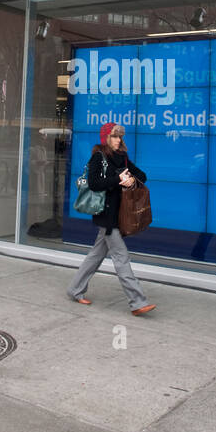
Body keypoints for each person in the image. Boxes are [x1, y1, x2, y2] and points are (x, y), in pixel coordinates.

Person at [66, 122, 156, 315]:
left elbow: (142, 175)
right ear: (106, 138)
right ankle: (138, 303)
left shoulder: (123, 158)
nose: (118, 140)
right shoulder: (99, 157)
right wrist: (118, 180)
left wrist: (132, 180)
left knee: (95, 256)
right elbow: (94, 184)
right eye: (114, 136)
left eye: (120, 136)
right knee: (121, 258)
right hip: (106, 216)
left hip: (119, 214)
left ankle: (75, 289)